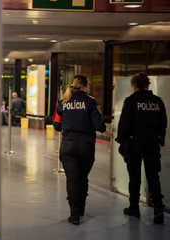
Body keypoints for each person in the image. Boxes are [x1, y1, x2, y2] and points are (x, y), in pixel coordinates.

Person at [54, 75, 112, 225]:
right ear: (85, 85)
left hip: (68, 144)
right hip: (86, 144)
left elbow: (56, 126)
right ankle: (81, 209)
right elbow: (98, 124)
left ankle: (74, 214)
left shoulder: (63, 102)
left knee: (72, 179)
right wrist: (105, 131)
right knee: (82, 177)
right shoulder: (90, 101)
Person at [116, 73, 167, 224]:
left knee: (135, 176)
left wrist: (121, 141)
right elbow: (163, 122)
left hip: (135, 143)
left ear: (134, 86)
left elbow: (124, 124)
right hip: (152, 142)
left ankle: (134, 208)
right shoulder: (157, 101)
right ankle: (158, 210)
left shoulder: (131, 101)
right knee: (153, 176)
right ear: (147, 85)